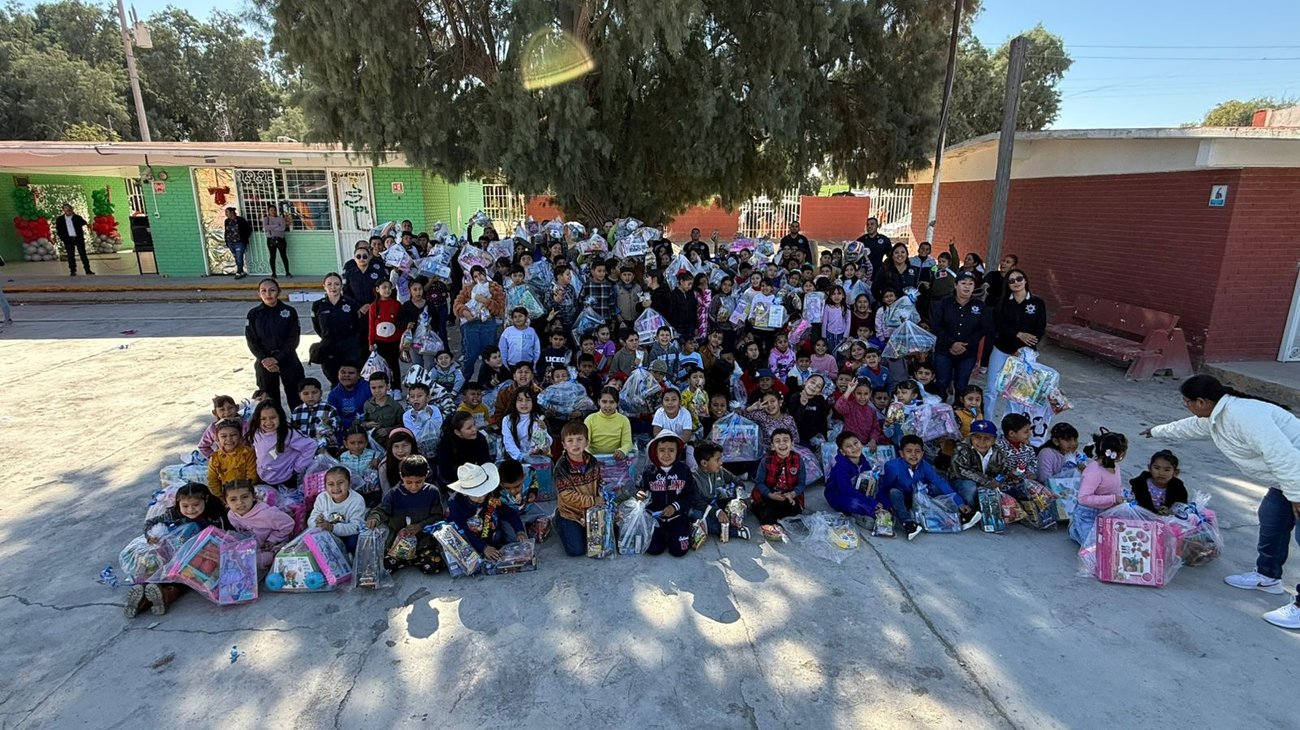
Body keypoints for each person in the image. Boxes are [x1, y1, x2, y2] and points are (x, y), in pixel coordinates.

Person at [1141, 375, 1300, 628]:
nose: (1186, 406)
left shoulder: (1245, 416)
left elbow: (1284, 456)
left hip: (1295, 475)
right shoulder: (1219, 415)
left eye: (1187, 402)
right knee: (1272, 520)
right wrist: (1156, 430)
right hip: (1287, 481)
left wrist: (1296, 494)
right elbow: (1190, 427)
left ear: (1202, 401)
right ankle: (1268, 576)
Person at [126, 482, 229, 617]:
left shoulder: (216, 517)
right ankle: (143, 596)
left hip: (202, 556)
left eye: (196, 505)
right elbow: (150, 522)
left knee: (187, 576)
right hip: (177, 552)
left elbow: (226, 536)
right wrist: (149, 537)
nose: (190, 510)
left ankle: (162, 595)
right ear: (178, 503)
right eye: (185, 506)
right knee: (162, 568)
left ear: (206, 500)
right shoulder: (175, 514)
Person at [365, 455, 445, 574]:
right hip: (399, 542)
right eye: (409, 482)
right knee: (382, 568)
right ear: (401, 476)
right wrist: (374, 518)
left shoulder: (432, 492)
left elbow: (438, 517)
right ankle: (407, 560)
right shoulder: (393, 494)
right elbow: (380, 510)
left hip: (423, 542)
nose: (413, 486)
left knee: (434, 565)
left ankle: (411, 560)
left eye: (419, 482)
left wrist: (420, 526)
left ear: (426, 475)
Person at [985, 268, 1047, 419]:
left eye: (1019, 279)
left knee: (1017, 393)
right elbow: (999, 325)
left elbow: (1040, 328)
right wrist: (1018, 334)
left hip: (1025, 353)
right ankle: (988, 422)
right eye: (1011, 281)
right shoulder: (1002, 302)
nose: (1016, 283)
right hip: (1002, 349)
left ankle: (1011, 426)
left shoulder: (1037, 303)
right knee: (991, 389)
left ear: (1025, 280)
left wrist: (1024, 348)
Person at [880, 435, 965, 541]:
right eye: (909, 451)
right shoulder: (892, 466)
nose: (913, 455)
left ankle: (953, 514)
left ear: (922, 454)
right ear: (901, 454)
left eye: (917, 451)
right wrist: (885, 505)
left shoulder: (925, 466)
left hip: (918, 499)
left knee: (935, 486)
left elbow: (940, 483)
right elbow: (884, 487)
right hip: (899, 499)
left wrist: (959, 502)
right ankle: (908, 523)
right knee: (894, 492)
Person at [446, 463, 528, 561]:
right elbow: (461, 529)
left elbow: (507, 511)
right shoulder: (455, 503)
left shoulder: (491, 496)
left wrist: (519, 530)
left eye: (484, 493)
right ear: (465, 493)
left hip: (492, 532)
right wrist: (483, 547)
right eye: (476, 495)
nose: (482, 497)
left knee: (515, 540)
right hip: (470, 539)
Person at [245, 278, 305, 408]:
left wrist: (276, 359)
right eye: (264, 291)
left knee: (296, 397)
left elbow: (293, 339)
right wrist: (265, 359)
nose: (268, 294)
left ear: (278, 292)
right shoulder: (254, 314)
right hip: (265, 363)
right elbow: (252, 341)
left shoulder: (289, 312)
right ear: (258, 293)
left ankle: (297, 426)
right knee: (269, 401)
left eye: (272, 290)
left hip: (288, 359)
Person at [930, 273, 990, 402]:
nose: (967, 287)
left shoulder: (980, 306)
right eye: (963, 283)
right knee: (941, 383)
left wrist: (965, 344)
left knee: (961, 386)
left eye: (970, 284)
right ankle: (940, 412)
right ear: (955, 285)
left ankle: (958, 413)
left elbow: (982, 328)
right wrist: (952, 343)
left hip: (967, 353)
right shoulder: (943, 303)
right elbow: (937, 326)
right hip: (944, 351)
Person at [636, 431, 698, 557]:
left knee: (679, 551)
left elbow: (691, 496)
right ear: (655, 452)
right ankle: (663, 535)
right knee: (653, 549)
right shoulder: (649, 470)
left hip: (678, 517)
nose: (666, 455)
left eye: (671, 450)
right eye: (662, 450)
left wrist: (675, 507)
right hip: (655, 518)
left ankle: (682, 530)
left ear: (677, 452)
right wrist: (640, 493)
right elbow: (642, 487)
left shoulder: (684, 470)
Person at [553, 421, 606, 557]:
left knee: (601, 544)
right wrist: (593, 500)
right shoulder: (561, 467)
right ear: (564, 444)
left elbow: (600, 481)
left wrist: (603, 495)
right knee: (576, 551)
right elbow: (567, 496)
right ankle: (558, 520)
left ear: (587, 442)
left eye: (579, 439)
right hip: (571, 513)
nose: (575, 444)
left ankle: (583, 528)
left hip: (591, 512)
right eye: (570, 441)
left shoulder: (592, 461)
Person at [1070, 431, 1129, 545]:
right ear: (1120, 453)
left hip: (1109, 512)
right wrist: (1113, 499)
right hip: (1088, 515)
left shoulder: (1115, 466)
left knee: (1123, 540)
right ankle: (1075, 530)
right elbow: (1083, 498)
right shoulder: (1094, 471)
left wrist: (1122, 496)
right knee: (1097, 546)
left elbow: (1115, 486)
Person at [225, 480, 296, 570]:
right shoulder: (231, 515)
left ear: (254, 497)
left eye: (245, 497)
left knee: (260, 561)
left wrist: (272, 540)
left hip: (273, 545)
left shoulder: (267, 514)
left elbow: (289, 524)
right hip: (254, 545)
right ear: (226, 503)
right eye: (233, 499)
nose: (239, 502)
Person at [311, 273, 364, 387]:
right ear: (324, 286)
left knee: (351, 378)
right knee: (334, 378)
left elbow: (357, 325)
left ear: (341, 286)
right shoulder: (318, 305)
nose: (333, 287)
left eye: (336, 284)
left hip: (348, 346)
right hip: (328, 346)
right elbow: (317, 327)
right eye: (329, 284)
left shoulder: (351, 304)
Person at [454, 265, 506, 379]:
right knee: (470, 355)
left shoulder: (494, 287)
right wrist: (464, 312)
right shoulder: (468, 288)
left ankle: (487, 380)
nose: (479, 278)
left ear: (485, 273)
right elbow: (457, 304)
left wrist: (486, 301)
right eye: (475, 276)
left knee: (489, 355)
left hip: (488, 323)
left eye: (480, 274)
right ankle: (464, 382)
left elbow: (500, 309)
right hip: (471, 324)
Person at [751, 429, 806, 538]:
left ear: (792, 444)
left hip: (788, 496)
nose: (782, 444)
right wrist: (770, 494)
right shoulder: (766, 460)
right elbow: (759, 483)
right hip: (768, 495)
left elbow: (801, 484)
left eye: (786, 440)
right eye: (777, 441)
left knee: (796, 515)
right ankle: (766, 516)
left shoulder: (798, 460)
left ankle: (774, 518)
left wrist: (792, 494)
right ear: (772, 446)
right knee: (767, 515)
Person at [250, 400, 317, 489]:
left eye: (272, 417)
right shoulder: (257, 432)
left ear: (280, 417)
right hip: (264, 478)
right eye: (263, 419)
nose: (268, 422)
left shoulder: (287, 433)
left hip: (285, 479)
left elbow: (311, 445)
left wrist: (297, 467)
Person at [690, 441, 750, 540]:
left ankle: (731, 521)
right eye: (717, 460)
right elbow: (697, 503)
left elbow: (737, 481)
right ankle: (734, 531)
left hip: (717, 502)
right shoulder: (693, 478)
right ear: (704, 463)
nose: (721, 462)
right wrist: (717, 512)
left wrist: (738, 502)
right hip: (702, 508)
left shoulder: (720, 471)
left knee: (742, 506)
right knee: (699, 517)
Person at [947, 420, 1011, 509]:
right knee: (969, 488)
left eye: (987, 438)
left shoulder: (998, 451)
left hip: (987, 483)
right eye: (977, 437)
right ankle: (970, 511)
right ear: (971, 438)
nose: (982, 442)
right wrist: (987, 481)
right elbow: (961, 471)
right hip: (963, 481)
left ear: (994, 440)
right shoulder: (962, 449)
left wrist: (998, 481)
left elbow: (1004, 470)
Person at [309, 466, 367, 553]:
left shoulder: (357, 500)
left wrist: (332, 527)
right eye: (331, 484)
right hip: (326, 535)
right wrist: (317, 522)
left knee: (355, 541)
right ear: (325, 486)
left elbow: (356, 527)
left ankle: (350, 558)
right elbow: (311, 519)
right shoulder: (322, 498)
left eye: (340, 483)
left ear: (349, 483)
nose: (336, 488)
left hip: (347, 536)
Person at [825, 431, 883, 517]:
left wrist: (883, 502)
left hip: (857, 490)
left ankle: (879, 508)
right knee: (853, 503)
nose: (854, 448)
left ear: (861, 443)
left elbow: (871, 482)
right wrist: (872, 504)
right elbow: (846, 490)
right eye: (848, 446)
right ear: (842, 452)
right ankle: (872, 512)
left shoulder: (863, 460)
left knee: (879, 483)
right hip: (838, 495)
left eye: (856, 443)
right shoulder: (840, 467)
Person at [434, 412, 492, 486]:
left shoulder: (480, 438)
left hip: (476, 476)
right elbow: (446, 472)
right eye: (469, 428)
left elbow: (485, 461)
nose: (474, 429)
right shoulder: (446, 445)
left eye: (474, 424)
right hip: (454, 480)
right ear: (457, 432)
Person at [206, 418, 256, 499]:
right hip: (225, 495)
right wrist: (221, 496)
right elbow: (212, 480)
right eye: (223, 436)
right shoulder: (215, 457)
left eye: (233, 435)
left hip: (245, 492)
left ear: (240, 436)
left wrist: (244, 493)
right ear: (217, 439)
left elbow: (252, 476)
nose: (229, 439)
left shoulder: (248, 453)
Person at [1129, 450, 1188, 516]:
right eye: (1157, 468)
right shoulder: (1140, 484)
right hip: (1141, 518)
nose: (1161, 473)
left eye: (1167, 470)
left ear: (1175, 472)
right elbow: (1134, 503)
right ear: (1149, 468)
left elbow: (1182, 507)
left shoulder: (1178, 488)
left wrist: (1169, 511)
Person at [290, 378, 340, 450]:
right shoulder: (297, 411)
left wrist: (329, 423)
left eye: (314, 392)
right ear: (300, 395)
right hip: (304, 448)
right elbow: (293, 431)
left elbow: (338, 428)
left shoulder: (328, 409)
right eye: (306, 394)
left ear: (321, 393)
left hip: (326, 447)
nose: (310, 396)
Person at [585, 387, 633, 460]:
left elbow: (627, 443)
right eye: (604, 401)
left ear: (617, 403)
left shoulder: (624, 420)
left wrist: (622, 451)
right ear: (598, 402)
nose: (607, 405)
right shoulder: (590, 419)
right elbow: (585, 443)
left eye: (612, 402)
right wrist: (587, 455)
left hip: (616, 461)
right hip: (593, 460)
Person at [327, 363, 371, 431]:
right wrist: (352, 423)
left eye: (351, 373)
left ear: (359, 376)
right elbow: (333, 417)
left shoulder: (369, 388)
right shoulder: (333, 395)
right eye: (343, 372)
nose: (346, 375)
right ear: (338, 374)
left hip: (368, 425)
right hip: (344, 429)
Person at [361, 372, 402, 441]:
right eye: (373, 388)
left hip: (390, 440)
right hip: (372, 440)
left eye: (380, 387)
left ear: (388, 386)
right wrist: (367, 425)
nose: (377, 391)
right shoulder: (367, 405)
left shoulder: (395, 406)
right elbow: (361, 421)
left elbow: (403, 424)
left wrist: (389, 430)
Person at [377, 428, 419, 494]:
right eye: (396, 446)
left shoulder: (421, 462)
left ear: (412, 445)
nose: (400, 450)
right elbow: (387, 493)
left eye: (405, 445)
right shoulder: (384, 466)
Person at [55, 203, 92, 276]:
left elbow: (84, 223)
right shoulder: (60, 219)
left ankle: (87, 270)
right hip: (68, 239)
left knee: (83, 254)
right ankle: (73, 270)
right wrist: (62, 238)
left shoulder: (77, 217)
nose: (68, 211)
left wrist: (88, 226)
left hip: (78, 238)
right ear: (63, 210)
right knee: (70, 255)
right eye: (66, 210)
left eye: (69, 210)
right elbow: (58, 230)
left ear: (72, 210)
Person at [263, 203, 291, 278]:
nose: (273, 212)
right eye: (271, 210)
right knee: (272, 256)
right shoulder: (266, 219)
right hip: (271, 239)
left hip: (280, 239)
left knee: (284, 256)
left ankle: (287, 272)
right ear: (268, 211)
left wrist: (271, 227)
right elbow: (265, 227)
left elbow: (282, 228)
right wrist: (276, 226)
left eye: (274, 210)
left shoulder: (280, 218)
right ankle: (274, 273)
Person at [223, 207, 252, 279]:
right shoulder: (227, 221)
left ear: (232, 212)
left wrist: (244, 238)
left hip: (239, 242)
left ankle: (238, 272)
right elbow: (226, 231)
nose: (226, 214)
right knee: (236, 257)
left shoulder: (240, 220)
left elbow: (248, 229)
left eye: (227, 212)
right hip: (230, 242)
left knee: (239, 257)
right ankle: (241, 271)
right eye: (226, 213)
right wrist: (226, 240)